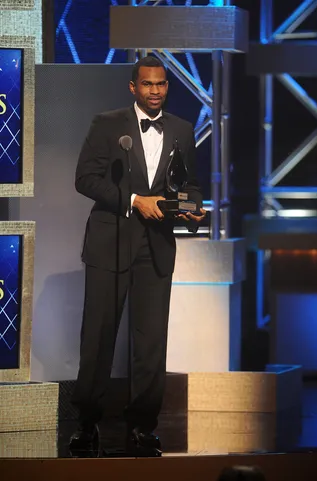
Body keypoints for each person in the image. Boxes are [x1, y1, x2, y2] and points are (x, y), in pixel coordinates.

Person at [69, 55, 206, 456]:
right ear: (134, 87)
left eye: (161, 84)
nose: (155, 91)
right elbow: (85, 179)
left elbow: (190, 185)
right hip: (110, 244)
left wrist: (193, 209)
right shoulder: (107, 124)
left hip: (157, 248)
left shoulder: (182, 128)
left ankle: (143, 426)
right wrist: (132, 199)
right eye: (147, 84)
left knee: (150, 343)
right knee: (98, 337)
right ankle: (87, 423)